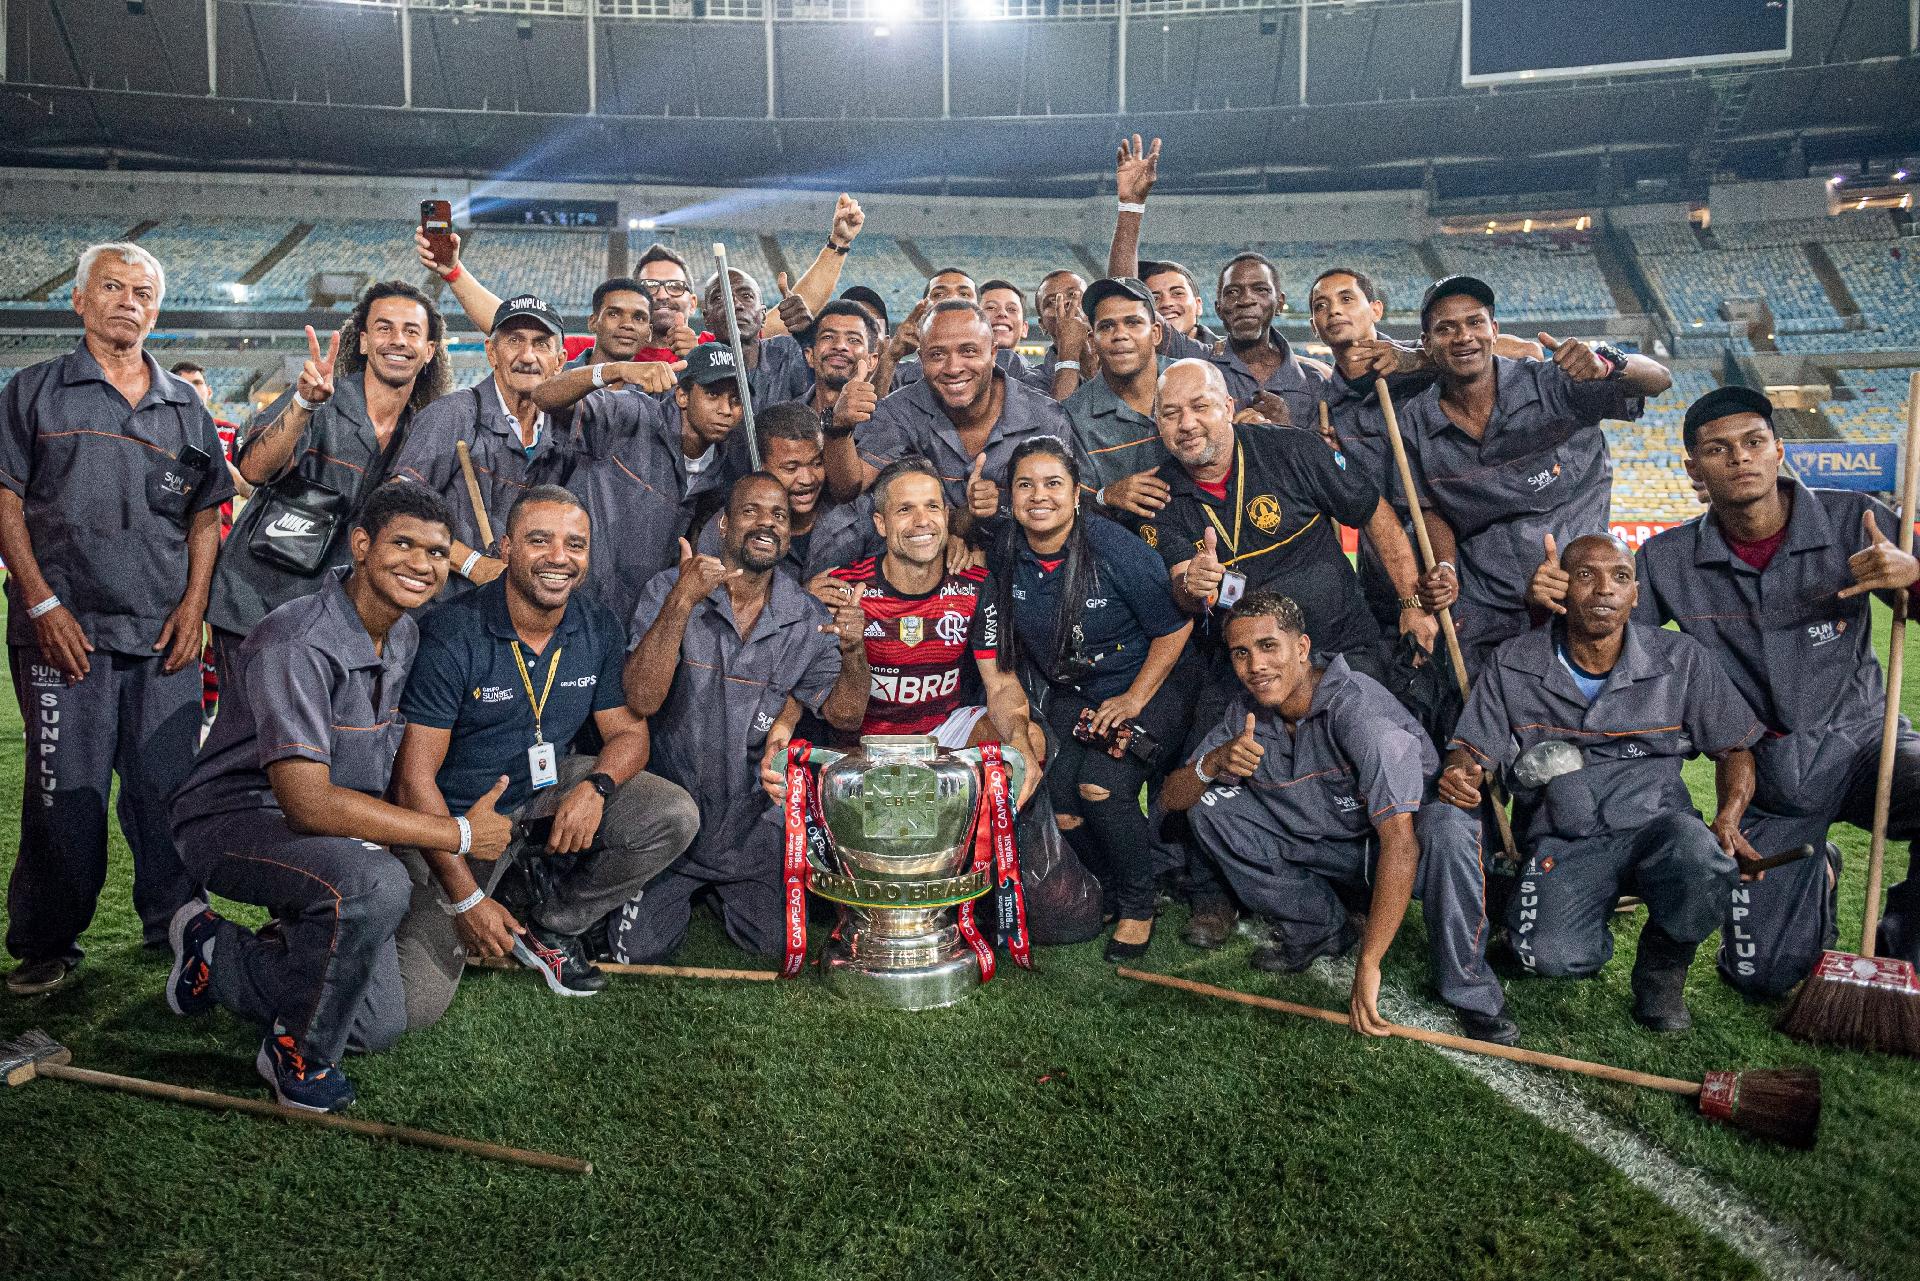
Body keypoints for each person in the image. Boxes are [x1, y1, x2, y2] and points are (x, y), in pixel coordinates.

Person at [1559, 387, 1920, 995]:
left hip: (1866, 746)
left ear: (1779, 450)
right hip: (1769, 777)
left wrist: (1913, 576)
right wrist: (1559, 602)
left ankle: (1905, 948)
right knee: (1765, 978)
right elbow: (1611, 647)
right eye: (1718, 450)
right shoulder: (1667, 559)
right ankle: (1818, 869)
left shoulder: (1853, 518)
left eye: (1754, 443)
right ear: (1693, 468)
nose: (1741, 458)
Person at [165, 485, 513, 1111]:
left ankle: (219, 952)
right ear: (360, 546)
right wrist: (457, 834)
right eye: (402, 544)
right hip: (235, 820)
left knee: (376, 1024)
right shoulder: (296, 638)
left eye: (436, 552)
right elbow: (306, 804)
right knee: (375, 883)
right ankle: (293, 1053)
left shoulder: (403, 634)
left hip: (326, 838)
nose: (421, 563)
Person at [0, 242, 235, 996]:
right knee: (64, 796)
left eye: (142, 291)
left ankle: (172, 920)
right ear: (79, 300)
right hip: (61, 636)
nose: (128, 300)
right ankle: (46, 940)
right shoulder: (33, 391)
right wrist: (41, 602)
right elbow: (5, 499)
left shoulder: (184, 406)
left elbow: (206, 513)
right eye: (111, 286)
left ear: (156, 311)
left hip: (161, 637)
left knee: (168, 792)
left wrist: (195, 606)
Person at [390, 486, 700, 1013]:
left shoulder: (594, 623)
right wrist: (466, 898)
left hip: (541, 791)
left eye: (575, 545)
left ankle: (550, 925)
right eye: (540, 541)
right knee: (412, 1005)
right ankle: (482, 890)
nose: (560, 558)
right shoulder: (451, 633)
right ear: (507, 549)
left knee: (671, 814)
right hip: (459, 818)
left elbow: (629, 734)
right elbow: (412, 782)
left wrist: (596, 790)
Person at [1444, 535, 1763, 1030]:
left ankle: (1663, 970)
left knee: (1702, 860)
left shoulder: (1681, 657)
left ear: (1636, 593)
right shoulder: (1514, 660)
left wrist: (1728, 817)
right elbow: (1472, 749)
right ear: (1562, 589)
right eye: (1587, 576)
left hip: (1659, 826)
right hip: (1566, 838)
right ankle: (1536, 905)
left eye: (1620, 577)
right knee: (1547, 957)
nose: (1604, 591)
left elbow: (1735, 749)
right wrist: (1461, 772)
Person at [1163, 593, 1512, 1043]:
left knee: (1450, 828)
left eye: (1269, 646)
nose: (1256, 666)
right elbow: (1173, 798)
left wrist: (1370, 964)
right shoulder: (1244, 713)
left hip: (1400, 849)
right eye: (1241, 653)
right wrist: (1211, 764)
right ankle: (1321, 928)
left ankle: (1469, 991)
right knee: (1212, 808)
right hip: (1324, 843)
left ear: (1303, 648)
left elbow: (1401, 844)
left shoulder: (1361, 712)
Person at [621, 473, 867, 960]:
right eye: (752, 511)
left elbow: (845, 715)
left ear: (790, 532)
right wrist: (682, 600)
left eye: (779, 515)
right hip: (672, 824)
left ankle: (726, 891)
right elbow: (642, 698)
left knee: (778, 949)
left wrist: (855, 648)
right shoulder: (669, 589)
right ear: (724, 523)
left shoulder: (806, 613)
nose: (767, 523)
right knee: (636, 951)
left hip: (750, 826)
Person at [1394, 275, 1670, 670]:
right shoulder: (1414, 423)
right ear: (1427, 344)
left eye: (1474, 322)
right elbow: (1429, 511)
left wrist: (1607, 363)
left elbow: (1659, 379)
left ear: (1494, 330)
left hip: (1578, 600)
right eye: (1446, 328)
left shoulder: (1554, 382)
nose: (1463, 337)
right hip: (1487, 609)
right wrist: (1446, 566)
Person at [993, 437, 1191, 959]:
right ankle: (1106, 881)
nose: (1040, 496)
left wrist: (1132, 699)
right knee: (1060, 803)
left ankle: (1139, 904)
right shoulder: (1004, 550)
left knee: (1100, 786)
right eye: (1025, 484)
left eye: (1053, 483)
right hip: (1071, 692)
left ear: (1078, 492)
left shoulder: (1115, 548)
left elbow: (1174, 629)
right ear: (1009, 496)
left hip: (1150, 683)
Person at [206, 282, 450, 673]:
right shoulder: (321, 395)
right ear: (365, 342)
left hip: (338, 623)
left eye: (411, 331)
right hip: (258, 605)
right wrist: (303, 405)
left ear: (430, 351)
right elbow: (253, 469)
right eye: (384, 329)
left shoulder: (421, 434)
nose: (398, 341)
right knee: (254, 734)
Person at [1149, 359, 1434, 676]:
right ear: (1158, 424)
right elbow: (1183, 587)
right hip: (1247, 671)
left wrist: (1412, 604)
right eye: (1171, 414)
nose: (1187, 423)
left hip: (1341, 650)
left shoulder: (1294, 449)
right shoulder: (1158, 498)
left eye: (1200, 406)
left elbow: (1373, 512)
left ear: (1228, 407)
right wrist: (1194, 586)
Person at [823, 457, 1042, 759]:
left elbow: (1001, 684)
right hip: (864, 744)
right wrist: (852, 647)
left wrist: (1019, 743)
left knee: (1030, 738)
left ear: (946, 516)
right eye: (905, 509)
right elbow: (842, 717)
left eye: (932, 506)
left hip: (942, 733)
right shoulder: (846, 590)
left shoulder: (975, 585)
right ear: (880, 524)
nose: (922, 520)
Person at [829, 302, 1084, 530]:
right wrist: (839, 427)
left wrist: (1002, 507)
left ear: (994, 353)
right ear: (920, 359)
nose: (953, 368)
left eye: (969, 351)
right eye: (937, 355)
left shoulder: (1047, 417)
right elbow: (848, 489)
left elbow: (1069, 510)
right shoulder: (898, 411)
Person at [389, 293, 571, 597]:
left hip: (514, 613)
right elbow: (397, 505)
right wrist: (473, 563)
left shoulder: (561, 433)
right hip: (446, 607)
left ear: (560, 361)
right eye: (514, 341)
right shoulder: (452, 414)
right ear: (491, 352)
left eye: (541, 344)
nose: (527, 357)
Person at [564, 343, 745, 626]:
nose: (726, 410)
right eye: (713, 395)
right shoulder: (633, 413)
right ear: (682, 395)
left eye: (736, 400)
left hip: (634, 620)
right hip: (570, 603)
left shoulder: (725, 466)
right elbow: (547, 397)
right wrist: (616, 369)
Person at [1059, 276, 1169, 505]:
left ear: (1156, 333)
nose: (1120, 334)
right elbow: (1068, 503)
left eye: (1133, 322)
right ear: (1092, 340)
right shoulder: (1075, 416)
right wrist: (1104, 496)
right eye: (1107, 326)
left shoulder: (1193, 379)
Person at [700, 402, 840, 580]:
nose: (807, 479)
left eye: (817, 464)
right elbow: (717, 600)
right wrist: (801, 601)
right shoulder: (725, 530)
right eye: (791, 468)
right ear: (761, 467)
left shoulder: (856, 514)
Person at [1104, 135, 1218, 350]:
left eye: (1177, 293)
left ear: (1199, 305)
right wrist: (1131, 205)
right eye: (1155, 297)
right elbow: (1123, 290)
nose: (1166, 303)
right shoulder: (1139, 356)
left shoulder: (1228, 358)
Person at [700, 267, 813, 408]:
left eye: (746, 296)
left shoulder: (787, 353)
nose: (734, 305)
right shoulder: (697, 371)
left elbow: (822, 393)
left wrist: (809, 333)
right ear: (707, 319)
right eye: (719, 298)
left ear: (763, 315)